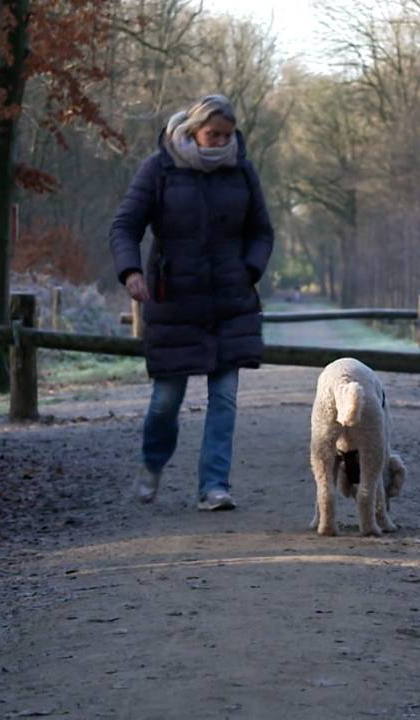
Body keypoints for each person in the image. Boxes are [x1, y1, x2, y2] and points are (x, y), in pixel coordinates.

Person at [109, 94, 274, 511]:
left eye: (225, 134)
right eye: (211, 133)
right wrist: (131, 272)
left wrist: (249, 269)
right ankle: (151, 465)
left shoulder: (242, 171)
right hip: (173, 302)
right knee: (166, 401)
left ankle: (214, 485)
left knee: (224, 398)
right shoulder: (160, 167)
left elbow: (262, 231)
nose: (218, 141)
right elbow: (125, 225)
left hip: (229, 303)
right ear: (193, 129)